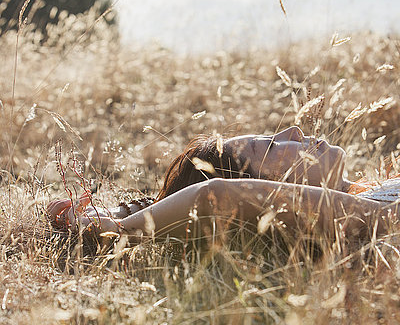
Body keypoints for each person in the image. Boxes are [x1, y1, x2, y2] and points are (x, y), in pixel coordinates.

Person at [47, 126, 400, 245]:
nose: (293, 132)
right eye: (271, 146)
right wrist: (120, 224)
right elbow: (215, 194)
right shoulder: (375, 214)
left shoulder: (377, 191)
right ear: (270, 194)